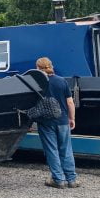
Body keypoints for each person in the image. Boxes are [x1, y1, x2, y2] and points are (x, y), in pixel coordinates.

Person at [35, 56, 78, 189]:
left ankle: (58, 179)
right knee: (66, 149)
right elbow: (70, 102)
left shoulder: (37, 83)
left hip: (46, 122)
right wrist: (72, 118)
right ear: (51, 66)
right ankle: (72, 179)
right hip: (63, 120)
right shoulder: (62, 81)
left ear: (38, 68)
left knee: (52, 150)